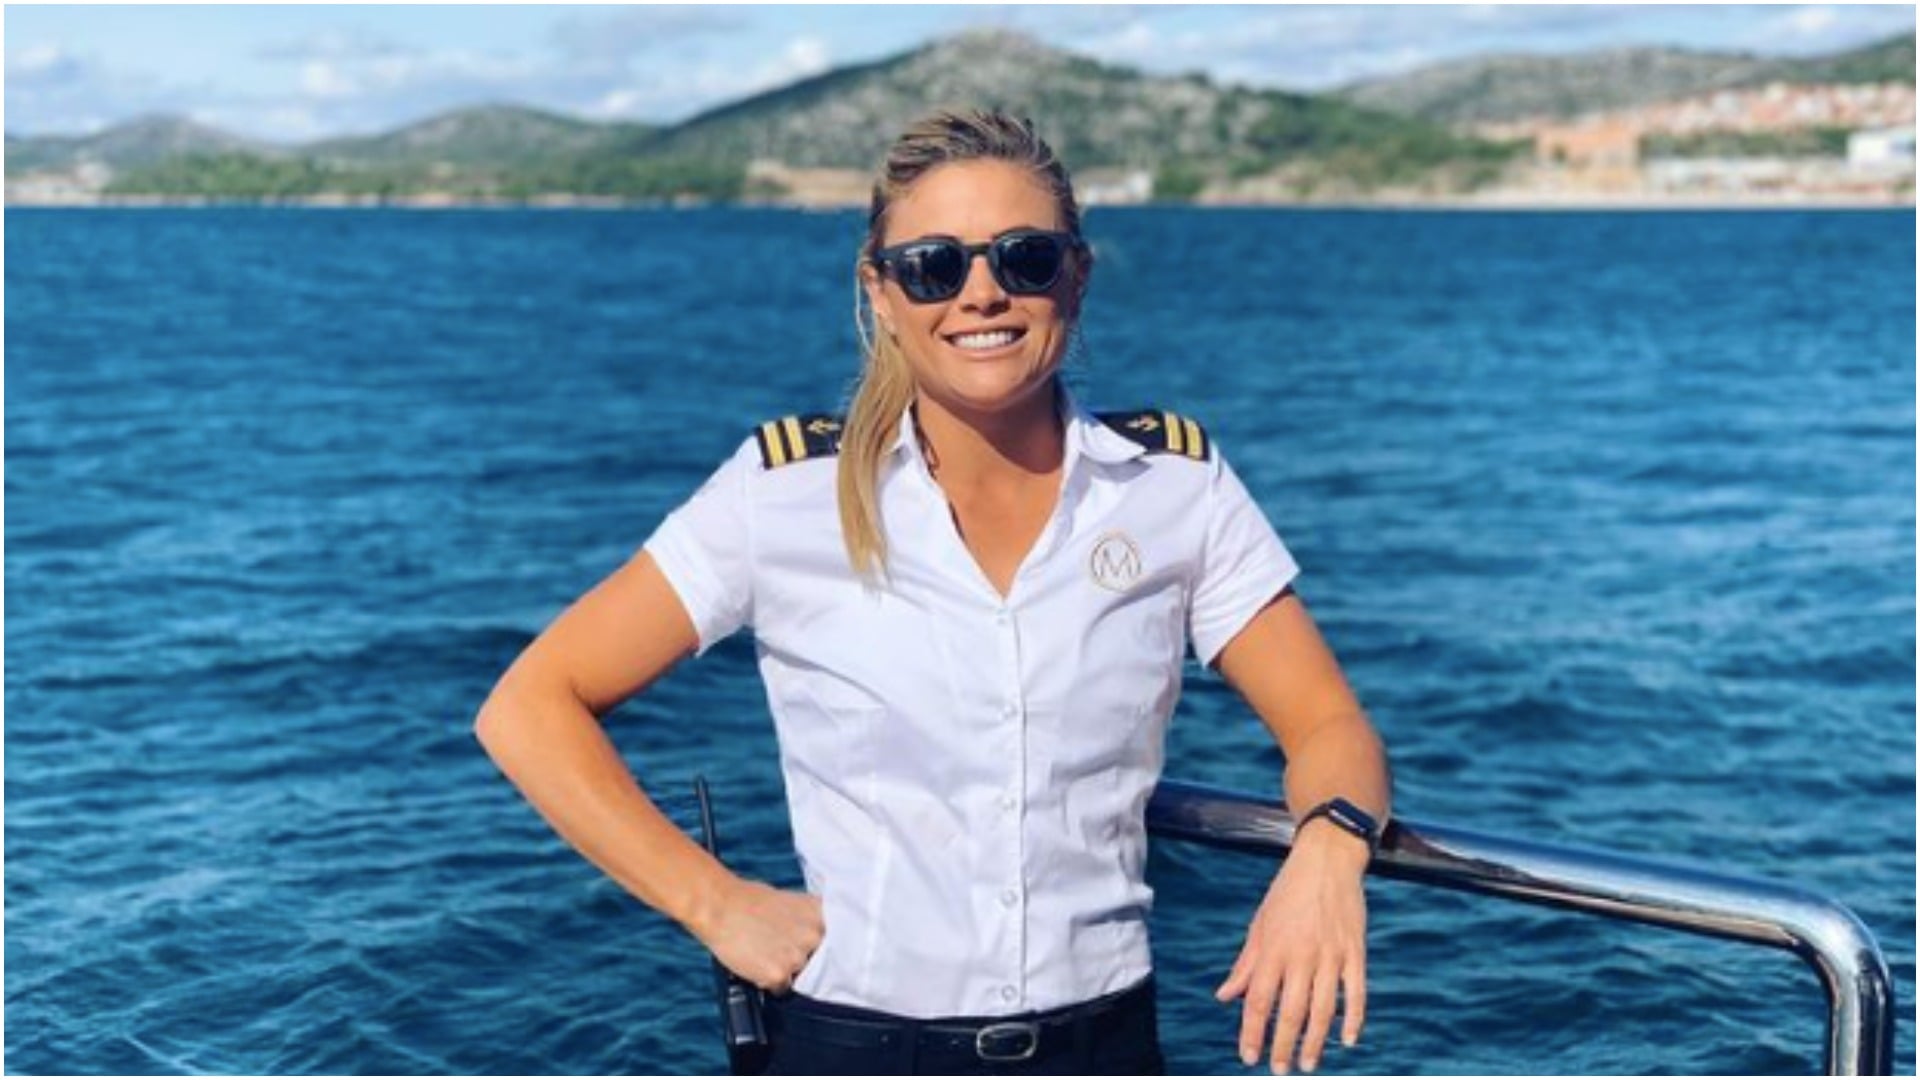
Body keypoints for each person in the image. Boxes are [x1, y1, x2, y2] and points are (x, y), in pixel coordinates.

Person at [474, 108, 1391, 1076]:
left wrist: (1329, 853)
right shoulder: (784, 494)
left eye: (1025, 258)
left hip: (1105, 1046)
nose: (982, 293)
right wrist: (715, 903)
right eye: (934, 267)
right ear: (880, 292)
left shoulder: (1173, 489)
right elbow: (531, 706)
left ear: (1076, 276)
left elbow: (1329, 726)